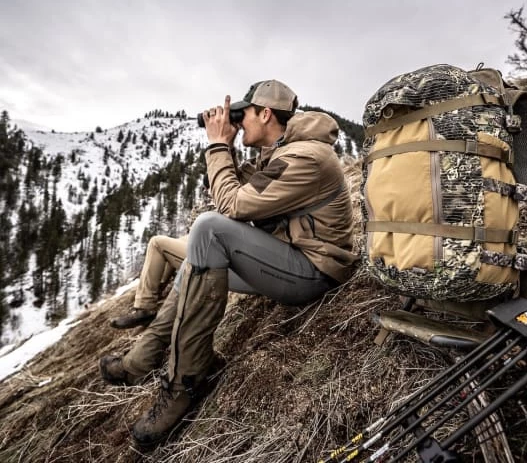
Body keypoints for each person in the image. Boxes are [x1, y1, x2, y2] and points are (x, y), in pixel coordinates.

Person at [99, 79, 357, 446]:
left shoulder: (306, 157)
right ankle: (142, 359)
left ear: (265, 114)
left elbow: (232, 205)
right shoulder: (279, 153)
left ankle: (184, 384)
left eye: (243, 114)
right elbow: (229, 187)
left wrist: (219, 145)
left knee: (208, 229)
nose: (238, 122)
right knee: (196, 257)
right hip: (287, 261)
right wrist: (225, 148)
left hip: (314, 272)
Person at [109, 234, 188, 329]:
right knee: (176, 242)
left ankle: (146, 308)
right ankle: (157, 290)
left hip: (204, 258)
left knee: (156, 243)